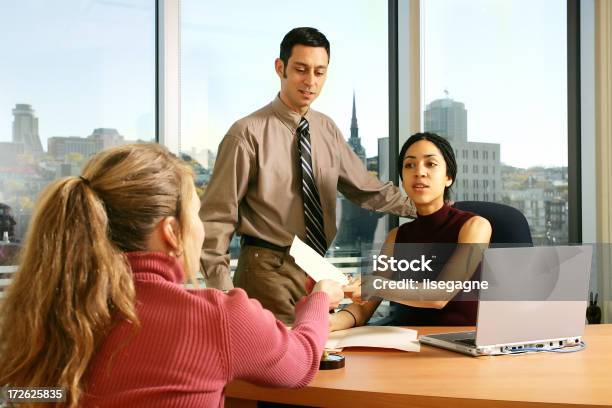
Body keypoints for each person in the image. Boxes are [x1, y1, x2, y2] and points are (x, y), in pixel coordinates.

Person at [0, 143, 344, 407]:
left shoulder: (37, 319)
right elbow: (302, 363)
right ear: (171, 231)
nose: (203, 228)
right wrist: (319, 300)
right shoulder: (216, 318)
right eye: (196, 213)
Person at [200, 27, 416, 324]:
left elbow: (366, 189)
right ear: (281, 68)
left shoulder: (326, 129)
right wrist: (225, 298)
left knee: (317, 356)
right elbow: (215, 222)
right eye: (301, 70)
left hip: (314, 268)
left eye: (319, 72)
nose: (311, 82)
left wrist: (426, 207)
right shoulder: (246, 134)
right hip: (265, 270)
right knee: (281, 363)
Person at [329, 132, 492, 331]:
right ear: (403, 180)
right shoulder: (396, 237)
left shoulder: (475, 226)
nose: (419, 172)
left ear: (448, 177)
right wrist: (322, 325)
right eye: (409, 165)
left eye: (430, 164)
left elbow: (440, 295)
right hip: (407, 344)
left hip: (459, 347)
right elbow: (364, 309)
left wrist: (376, 285)